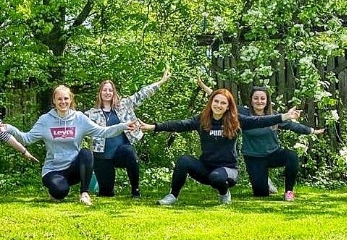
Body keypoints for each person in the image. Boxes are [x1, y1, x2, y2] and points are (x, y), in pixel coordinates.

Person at [139, 88, 300, 205]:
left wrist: (285, 116)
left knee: (217, 177)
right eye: (216, 101)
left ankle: (224, 193)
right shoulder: (202, 119)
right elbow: (180, 124)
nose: (218, 105)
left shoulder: (236, 120)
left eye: (223, 103)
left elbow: (260, 121)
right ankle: (173, 196)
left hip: (228, 170)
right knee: (184, 160)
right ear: (211, 103)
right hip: (206, 167)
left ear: (228, 106)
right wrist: (153, 127)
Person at [2, 85, 136, 206]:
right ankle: (57, 188)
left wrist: (123, 126)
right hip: (53, 170)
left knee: (86, 153)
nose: (63, 102)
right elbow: (26, 139)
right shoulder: (45, 120)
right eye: (59, 99)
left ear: (71, 100)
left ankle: (84, 193)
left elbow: (103, 131)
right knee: (60, 192)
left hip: (74, 169)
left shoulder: (79, 119)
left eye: (66, 98)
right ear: (54, 101)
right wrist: (9, 128)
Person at [198, 80, 324, 201]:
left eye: (262, 98)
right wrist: (203, 86)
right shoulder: (243, 114)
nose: (259, 101)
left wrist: (312, 130)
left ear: (267, 101)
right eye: (256, 98)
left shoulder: (273, 116)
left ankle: (289, 192)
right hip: (254, 158)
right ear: (251, 101)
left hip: (273, 154)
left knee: (291, 156)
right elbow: (223, 99)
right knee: (261, 194)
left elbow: (293, 126)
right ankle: (265, 182)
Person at [85, 68, 171, 198]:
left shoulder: (123, 105)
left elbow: (141, 94)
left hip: (121, 152)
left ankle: (135, 190)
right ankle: (103, 187)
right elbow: (75, 121)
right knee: (106, 193)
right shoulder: (91, 113)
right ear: (100, 93)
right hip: (102, 156)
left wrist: (161, 82)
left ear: (114, 92)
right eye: (104, 90)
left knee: (130, 152)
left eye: (110, 90)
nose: (107, 93)